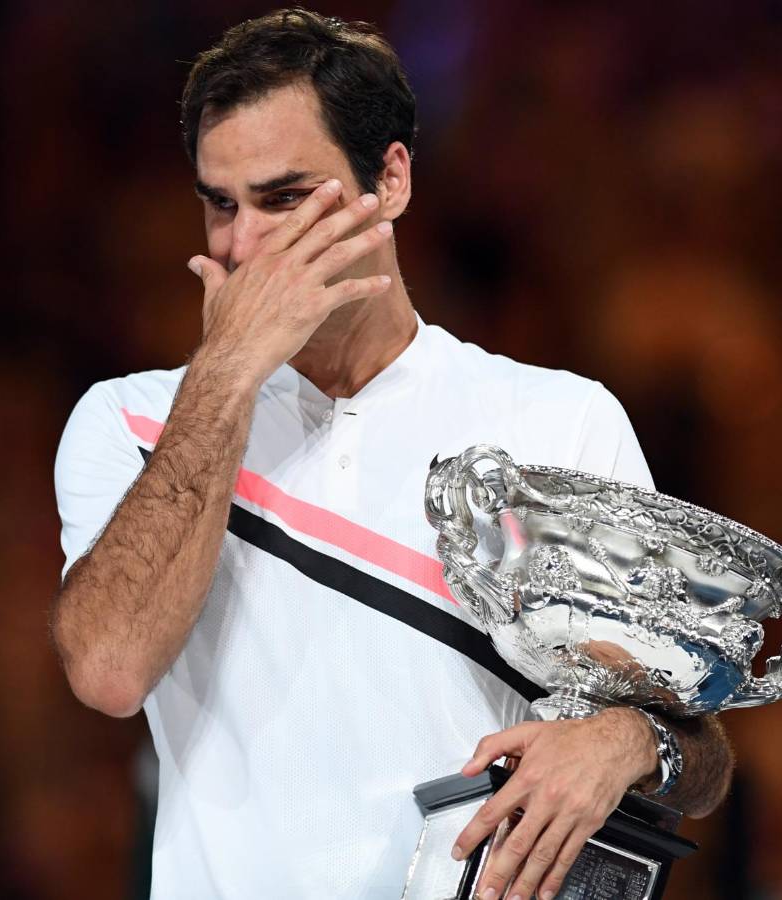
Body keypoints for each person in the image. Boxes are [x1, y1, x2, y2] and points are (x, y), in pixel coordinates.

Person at [50, 9, 734, 899]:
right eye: (222, 204)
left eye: (286, 198)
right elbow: (108, 670)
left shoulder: (560, 422)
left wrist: (624, 741)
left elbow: (703, 756)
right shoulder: (132, 421)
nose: (245, 246)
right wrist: (224, 378)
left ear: (393, 181)